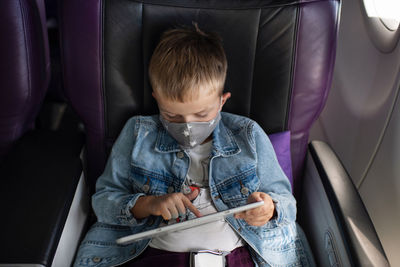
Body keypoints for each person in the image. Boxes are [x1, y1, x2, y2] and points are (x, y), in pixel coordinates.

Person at [73, 25, 315, 267]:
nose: (187, 127)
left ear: (222, 101)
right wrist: (148, 205)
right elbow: (103, 202)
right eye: (172, 116)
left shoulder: (248, 135)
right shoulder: (138, 133)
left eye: (201, 114)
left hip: (236, 256)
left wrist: (268, 209)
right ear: (156, 98)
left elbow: (286, 204)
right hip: (156, 254)